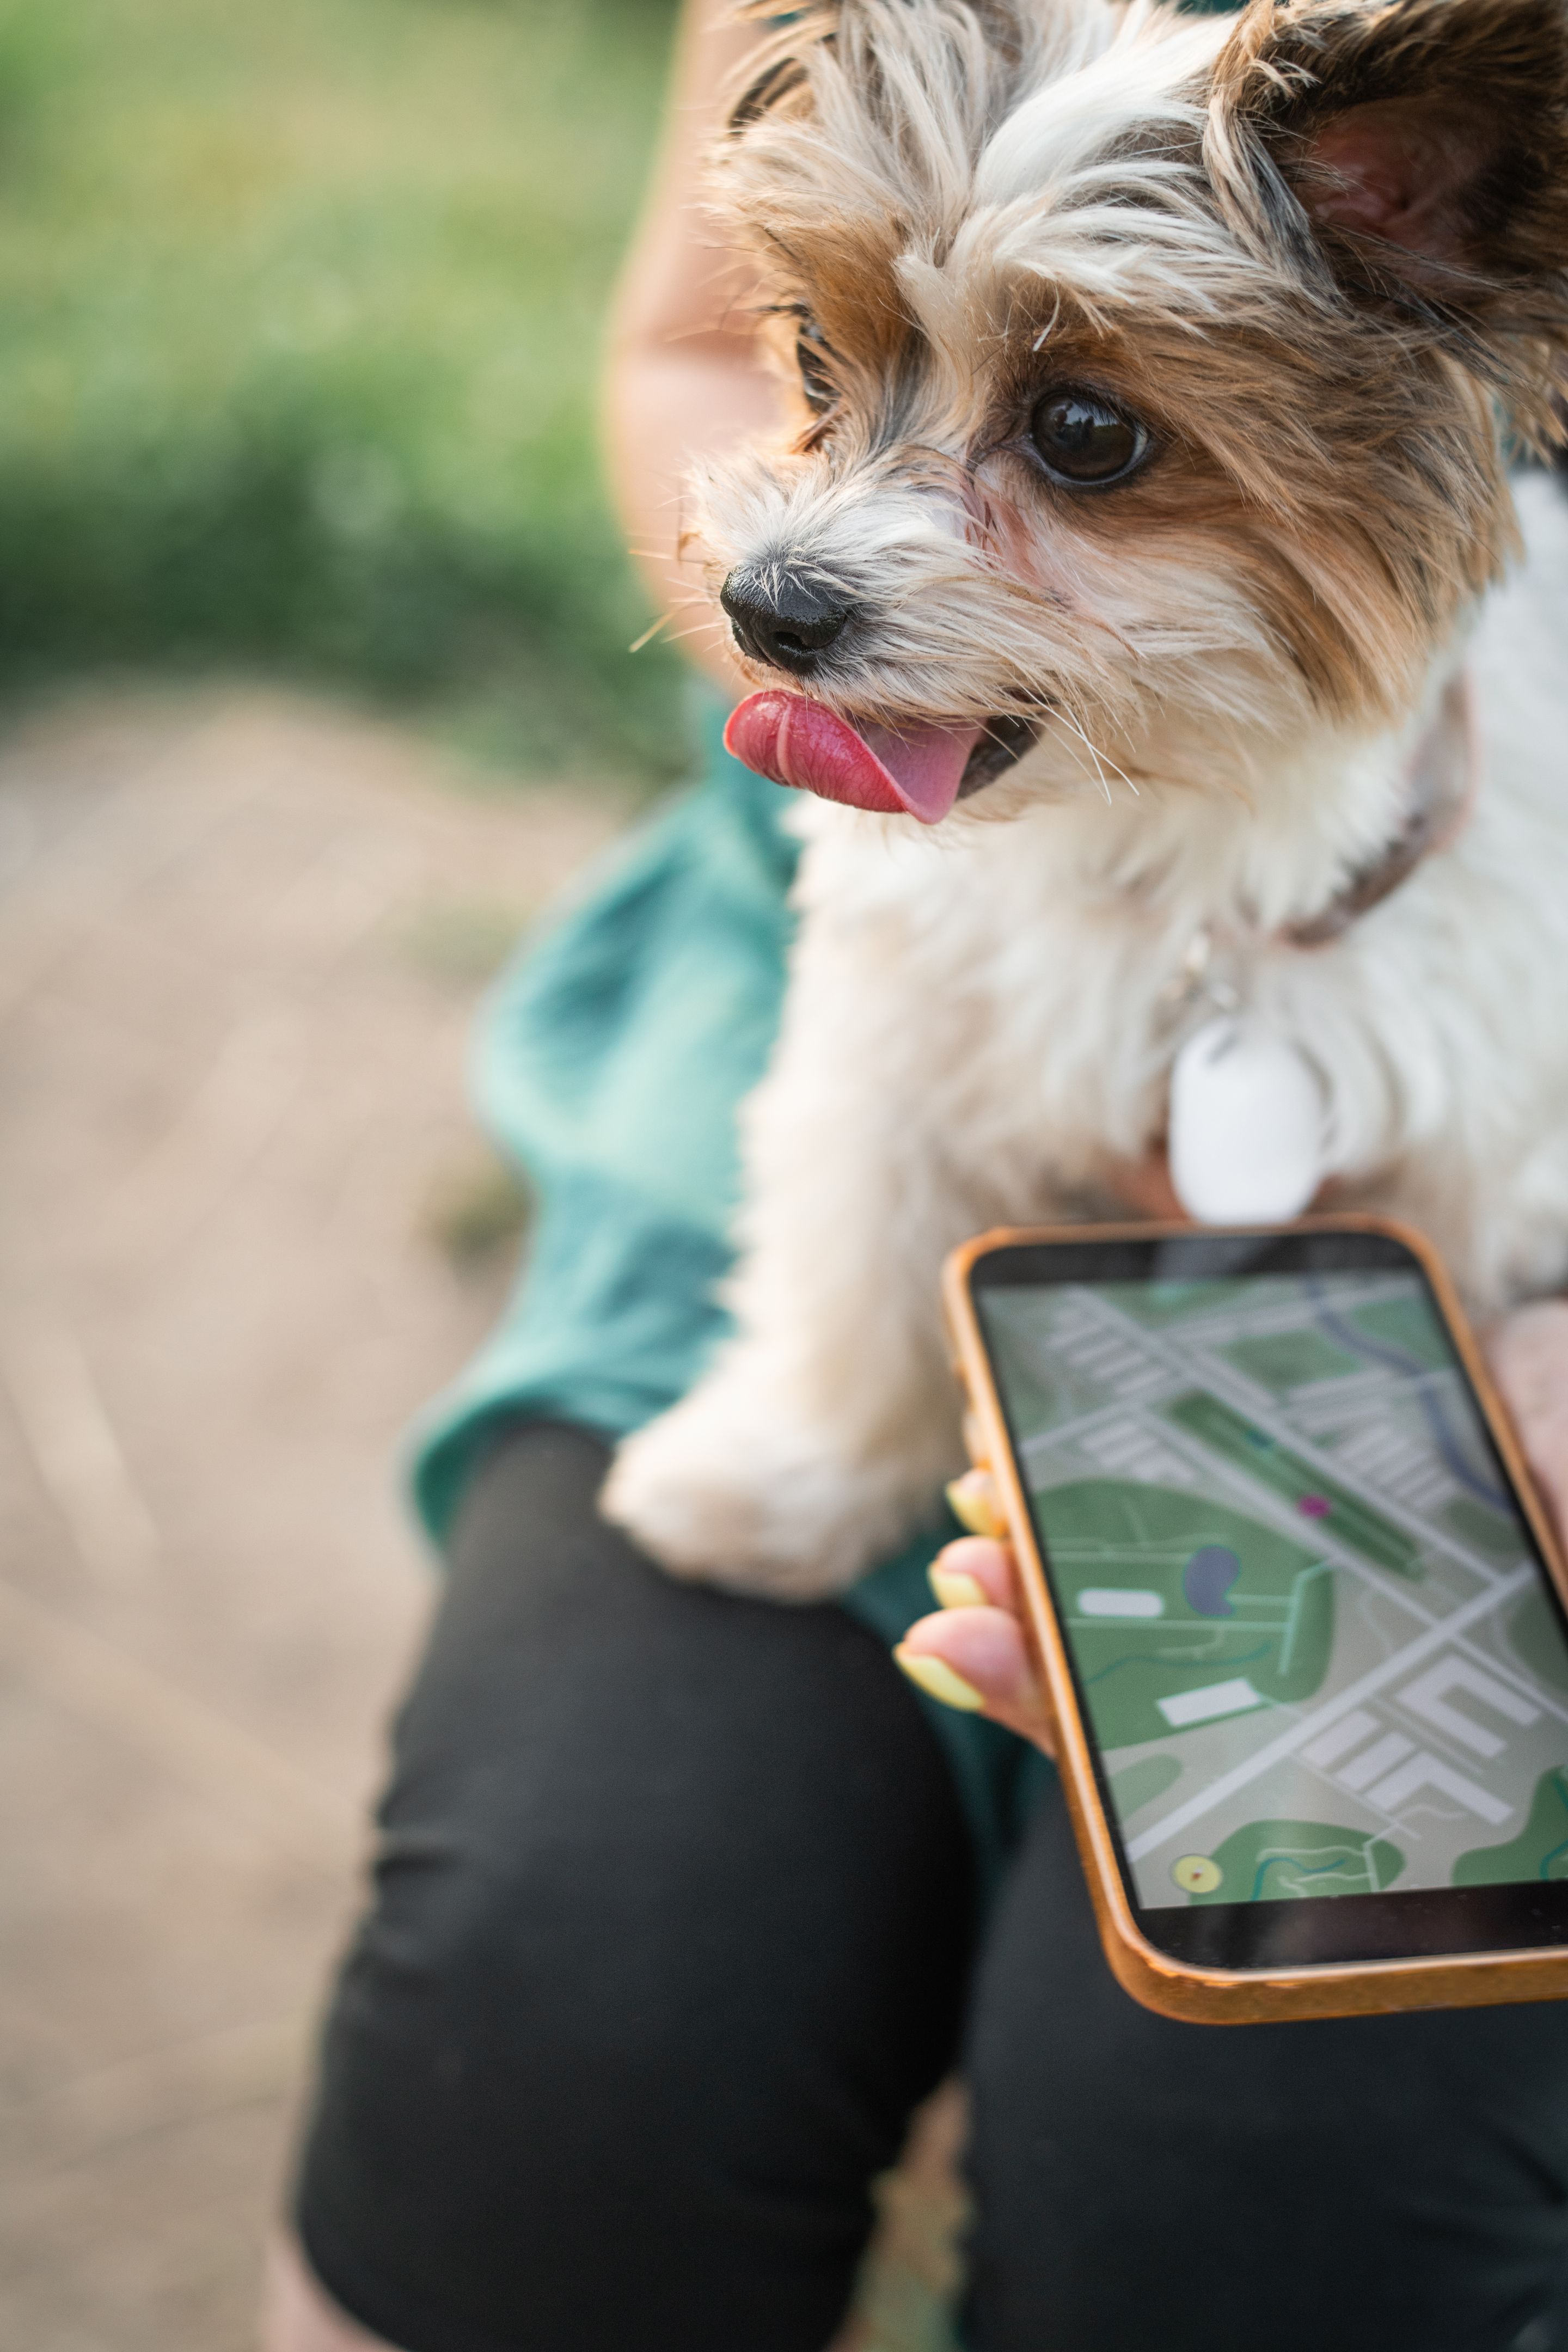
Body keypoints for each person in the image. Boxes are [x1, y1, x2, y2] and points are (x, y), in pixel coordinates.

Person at [262, 5, 1568, 2348]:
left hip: (1484, 1272)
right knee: (560, 2024)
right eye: (837, 374)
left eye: (1077, 439)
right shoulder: (907, 748)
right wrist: (833, 1419)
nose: (812, 552)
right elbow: (690, 345)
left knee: (1258, 2177)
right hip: (905, 951)